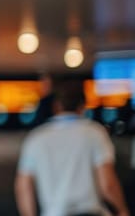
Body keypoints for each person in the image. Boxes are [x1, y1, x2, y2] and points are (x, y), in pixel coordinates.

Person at [15, 83, 130, 216]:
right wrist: (122, 210)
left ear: (56, 106)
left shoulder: (36, 138)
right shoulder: (94, 133)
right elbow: (107, 184)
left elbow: (23, 188)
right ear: (82, 106)